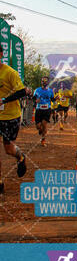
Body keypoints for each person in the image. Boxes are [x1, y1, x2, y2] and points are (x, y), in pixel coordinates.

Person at [0, 43, 27, 193]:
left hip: (10, 116)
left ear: (0, 54)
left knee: (8, 149)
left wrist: (4, 100)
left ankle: (21, 157)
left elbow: (22, 92)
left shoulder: (10, 73)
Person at [33, 76, 54, 146]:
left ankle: (43, 139)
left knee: (44, 124)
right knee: (38, 126)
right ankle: (40, 130)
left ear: (48, 82)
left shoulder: (50, 91)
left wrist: (56, 99)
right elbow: (33, 99)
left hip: (47, 109)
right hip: (39, 109)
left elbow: (52, 99)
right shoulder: (37, 90)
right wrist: (36, 101)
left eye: (45, 81)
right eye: (43, 81)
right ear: (41, 82)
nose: (44, 82)